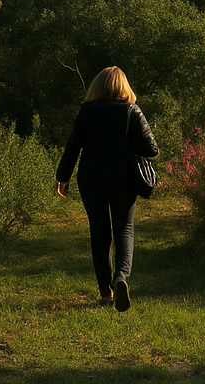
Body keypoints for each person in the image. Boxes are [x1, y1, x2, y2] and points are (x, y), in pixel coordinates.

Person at [55, 66, 160, 311]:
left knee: (99, 232)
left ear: (97, 86)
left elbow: (73, 147)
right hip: (123, 177)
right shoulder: (131, 111)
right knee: (124, 229)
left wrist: (63, 177)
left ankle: (105, 293)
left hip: (91, 178)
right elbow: (151, 149)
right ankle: (121, 278)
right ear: (124, 87)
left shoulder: (86, 112)